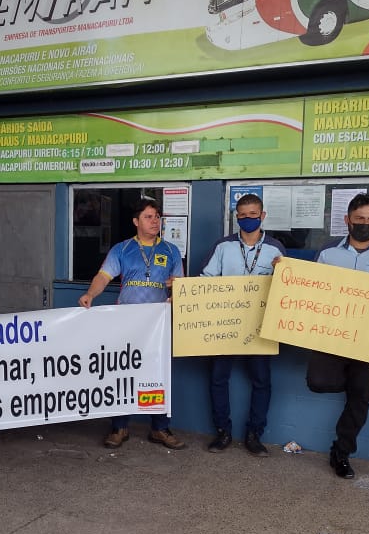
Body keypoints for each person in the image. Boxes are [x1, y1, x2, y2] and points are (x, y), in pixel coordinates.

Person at [78, 198, 186, 450]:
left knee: (158, 375)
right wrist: (90, 295)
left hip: (157, 325)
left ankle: (160, 428)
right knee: (123, 373)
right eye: (149, 217)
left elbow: (181, 284)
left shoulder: (171, 250)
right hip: (125, 322)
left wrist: (175, 290)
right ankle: (119, 426)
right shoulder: (122, 249)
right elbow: (103, 276)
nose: (155, 221)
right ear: (136, 221)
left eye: (157, 216)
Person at [308, 193, 369, 479]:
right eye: (359, 219)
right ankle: (349, 383)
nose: (365, 223)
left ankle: (342, 452)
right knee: (318, 381)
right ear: (347, 220)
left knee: (360, 397)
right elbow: (309, 289)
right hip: (331, 332)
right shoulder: (327, 253)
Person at [200, 194, 285, 456]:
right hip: (226, 324)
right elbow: (206, 279)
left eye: (253, 214)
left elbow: (287, 289)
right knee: (218, 378)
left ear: (263, 215)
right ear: (236, 217)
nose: (248, 219)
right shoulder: (223, 246)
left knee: (261, 381)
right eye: (243, 215)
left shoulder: (275, 249)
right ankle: (222, 432)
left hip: (260, 326)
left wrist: (282, 271)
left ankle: (254, 434)